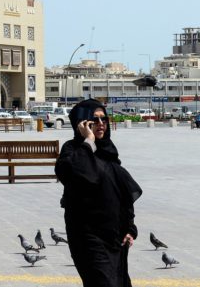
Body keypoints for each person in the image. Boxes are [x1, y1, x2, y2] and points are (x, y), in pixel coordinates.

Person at [55, 99, 143, 287]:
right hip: (88, 236)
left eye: (104, 119)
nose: (101, 124)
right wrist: (88, 141)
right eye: (94, 120)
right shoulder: (73, 150)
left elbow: (121, 194)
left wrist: (129, 228)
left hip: (114, 238)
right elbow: (80, 173)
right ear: (82, 123)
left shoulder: (108, 151)